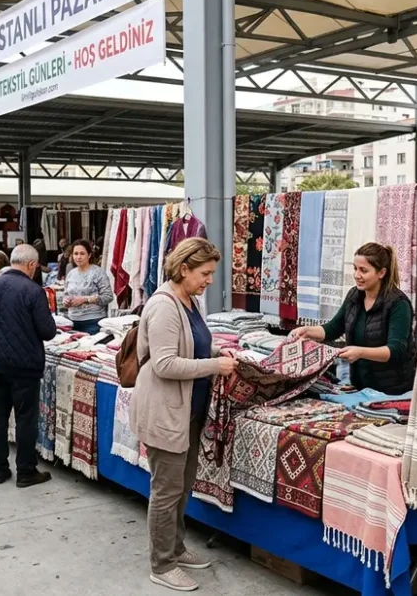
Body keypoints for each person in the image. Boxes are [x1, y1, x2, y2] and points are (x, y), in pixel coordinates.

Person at [129, 238, 237, 592]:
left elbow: (191, 345)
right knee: (166, 490)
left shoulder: (190, 301)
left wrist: (221, 351)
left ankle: (174, 547)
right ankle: (161, 564)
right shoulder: (164, 305)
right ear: (184, 268)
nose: (209, 280)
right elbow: (164, 363)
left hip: (186, 411)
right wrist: (215, 365)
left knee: (181, 486)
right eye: (205, 274)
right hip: (165, 412)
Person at [0, 244, 56, 488]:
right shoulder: (33, 290)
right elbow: (47, 331)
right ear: (31, 265)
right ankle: (26, 471)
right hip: (24, 366)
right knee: (25, 418)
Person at [290, 242, 416, 394]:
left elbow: (396, 351)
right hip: (360, 387)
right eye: (355, 268)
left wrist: (360, 352)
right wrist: (307, 331)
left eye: (363, 270)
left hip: (392, 390)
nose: (357, 275)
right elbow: (333, 328)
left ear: (381, 273)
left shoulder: (398, 304)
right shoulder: (354, 296)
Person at [63, 239, 115, 335]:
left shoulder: (98, 272)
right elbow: (66, 295)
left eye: (82, 253)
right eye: (76, 254)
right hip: (72, 321)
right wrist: (66, 301)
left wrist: (85, 299)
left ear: (89, 255)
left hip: (93, 321)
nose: (78, 257)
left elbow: (108, 296)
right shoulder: (71, 273)